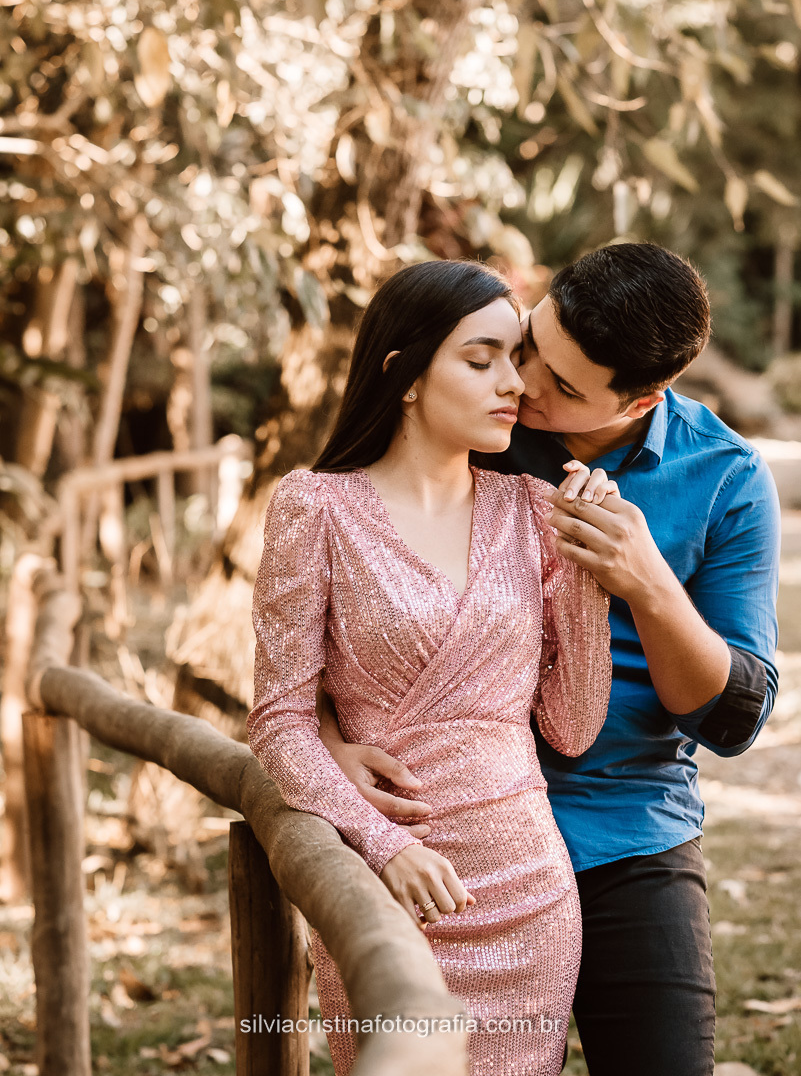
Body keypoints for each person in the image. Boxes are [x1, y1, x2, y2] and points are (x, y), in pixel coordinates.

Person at [318, 243, 781, 1076]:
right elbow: (336, 607)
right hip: (448, 829)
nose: (521, 384)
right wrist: (328, 738)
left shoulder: (724, 478)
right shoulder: (476, 423)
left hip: (627, 832)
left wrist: (647, 586)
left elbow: (729, 717)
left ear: (641, 398)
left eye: (563, 388)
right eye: (530, 345)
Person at [247, 260, 617, 1076]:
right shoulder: (315, 507)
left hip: (528, 890)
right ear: (405, 375)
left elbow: (573, 725)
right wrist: (381, 845)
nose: (510, 384)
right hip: (387, 893)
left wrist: (587, 570)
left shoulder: (533, 512)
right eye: (478, 358)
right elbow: (275, 719)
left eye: (513, 358)